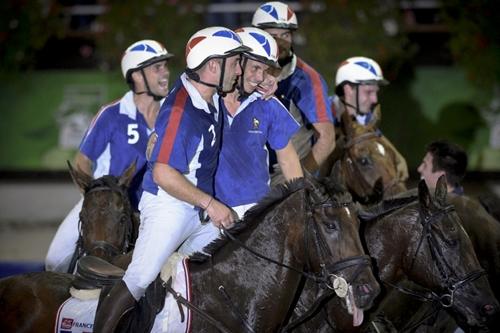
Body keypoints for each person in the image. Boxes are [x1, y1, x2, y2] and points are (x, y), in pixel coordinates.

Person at [93, 26, 247, 332]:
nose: (240, 69)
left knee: (228, 269)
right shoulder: (182, 109)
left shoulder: (210, 93)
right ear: (213, 66)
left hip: (197, 209)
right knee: (140, 276)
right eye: (236, 62)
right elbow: (163, 173)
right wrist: (211, 204)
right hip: (170, 206)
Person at [45, 39, 173, 273]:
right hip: (107, 208)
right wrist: (96, 203)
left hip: (154, 209)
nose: (166, 73)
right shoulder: (112, 114)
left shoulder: (171, 114)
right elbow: (82, 162)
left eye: (165, 66)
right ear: (136, 76)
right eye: (158, 68)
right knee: (55, 259)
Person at [216, 27, 303, 218]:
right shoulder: (205, 99)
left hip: (256, 209)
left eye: (265, 70)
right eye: (255, 68)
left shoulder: (268, 104)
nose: (259, 77)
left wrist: (302, 200)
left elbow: (288, 159)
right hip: (209, 210)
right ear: (236, 62)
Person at [252, 1, 335, 179]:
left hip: (285, 177)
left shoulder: (307, 80)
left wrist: (297, 181)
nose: (280, 43)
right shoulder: (243, 72)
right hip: (247, 176)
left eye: (285, 35)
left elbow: (327, 139)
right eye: (273, 36)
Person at [333, 56, 409, 182]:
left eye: (376, 92)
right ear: (348, 89)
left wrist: (397, 156)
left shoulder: (365, 118)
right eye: (368, 92)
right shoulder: (324, 115)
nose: (375, 99)